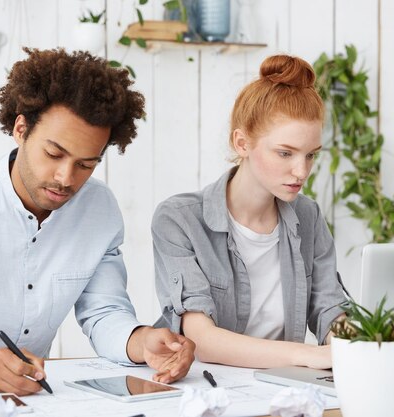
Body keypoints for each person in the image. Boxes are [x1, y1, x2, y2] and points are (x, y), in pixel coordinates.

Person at [0, 48, 194, 396]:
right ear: (21, 129)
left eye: (86, 164)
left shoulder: (99, 210)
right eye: (54, 154)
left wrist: (143, 342)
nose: (66, 179)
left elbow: (104, 313)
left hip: (34, 397)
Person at [151, 54, 346, 370]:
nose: (301, 171)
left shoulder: (308, 217)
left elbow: (329, 307)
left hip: (284, 388)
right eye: (285, 153)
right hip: (208, 389)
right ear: (242, 143)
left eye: (310, 155)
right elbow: (203, 338)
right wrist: (309, 355)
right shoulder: (179, 220)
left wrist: (354, 343)